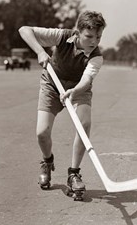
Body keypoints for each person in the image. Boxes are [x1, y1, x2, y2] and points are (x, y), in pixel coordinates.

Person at [19, 11, 106, 199]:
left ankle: (73, 173)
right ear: (77, 33)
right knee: (42, 133)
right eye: (89, 36)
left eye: (98, 37)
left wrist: (74, 91)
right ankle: (47, 161)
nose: (94, 41)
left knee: (84, 125)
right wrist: (41, 51)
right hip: (52, 84)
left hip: (78, 89)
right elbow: (24, 30)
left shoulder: (96, 57)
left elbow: (86, 79)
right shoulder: (62, 36)